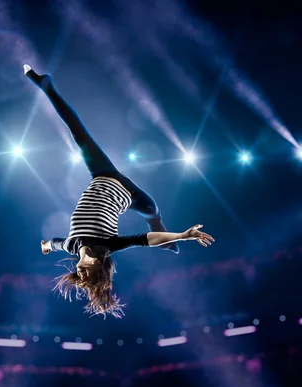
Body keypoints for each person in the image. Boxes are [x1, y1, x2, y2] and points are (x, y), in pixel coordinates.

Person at [24, 65, 214, 318]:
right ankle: (170, 245)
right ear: (100, 269)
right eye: (89, 277)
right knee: (154, 221)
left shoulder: (71, 246)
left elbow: (56, 244)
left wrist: (47, 245)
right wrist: (182, 235)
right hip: (134, 195)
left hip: (101, 175)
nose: (81, 276)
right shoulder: (109, 245)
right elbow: (144, 240)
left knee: (78, 135)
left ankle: (46, 87)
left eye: (80, 279)